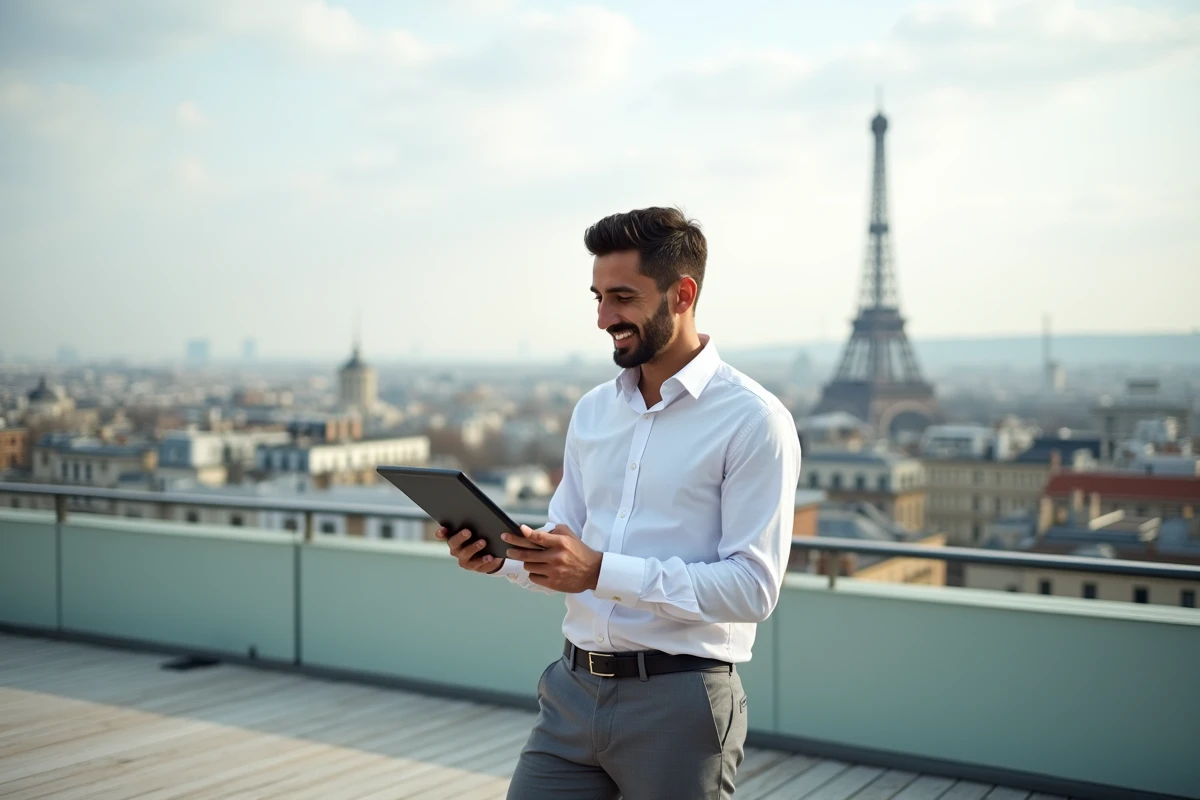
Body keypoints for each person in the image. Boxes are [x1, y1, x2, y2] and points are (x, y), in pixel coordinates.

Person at [436, 206, 801, 799]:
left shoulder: (754, 421)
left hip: (680, 703)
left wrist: (600, 570)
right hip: (570, 691)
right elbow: (567, 546)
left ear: (682, 294)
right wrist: (500, 554)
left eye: (623, 297)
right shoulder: (593, 412)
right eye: (598, 297)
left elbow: (752, 589)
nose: (604, 318)